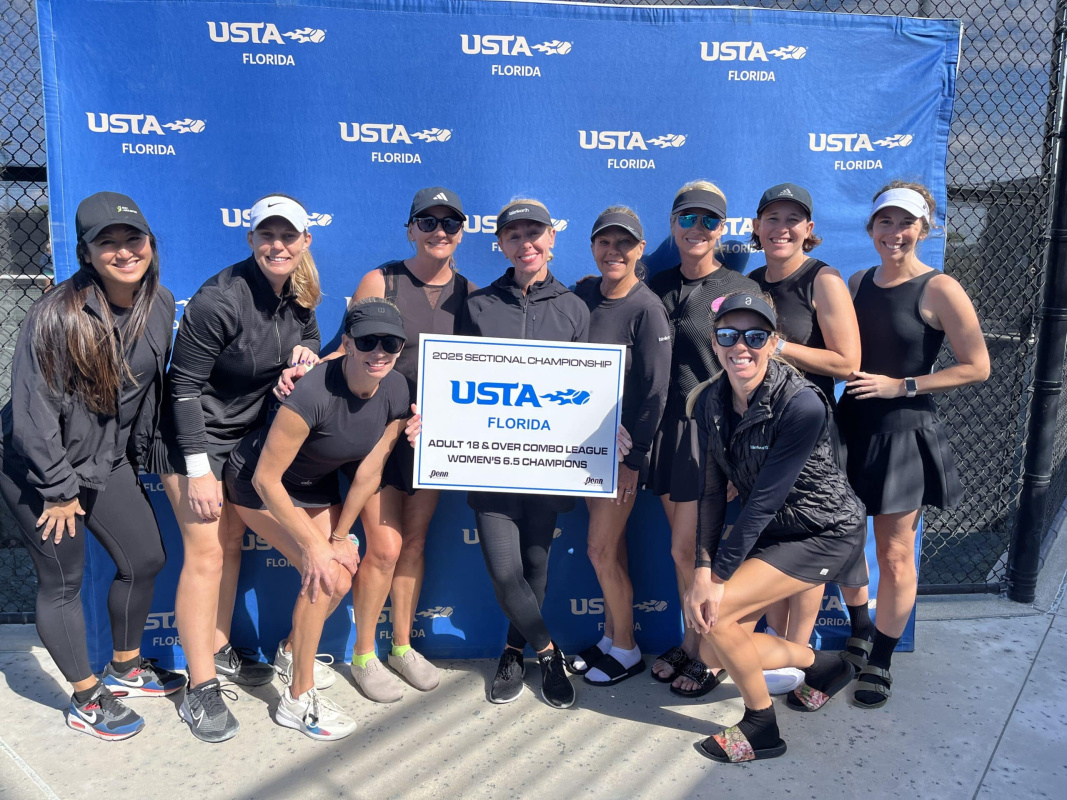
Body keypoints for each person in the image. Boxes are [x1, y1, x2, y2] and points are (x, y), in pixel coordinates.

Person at [0, 192, 184, 739]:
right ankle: (85, 698)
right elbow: (33, 415)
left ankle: (125, 670)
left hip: (102, 457)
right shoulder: (56, 315)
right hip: (37, 468)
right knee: (63, 580)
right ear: (86, 253)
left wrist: (146, 453)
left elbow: (146, 392)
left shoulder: (160, 302)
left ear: (150, 243)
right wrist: (58, 490)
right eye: (108, 242)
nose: (124, 251)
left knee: (145, 558)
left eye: (133, 238)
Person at [149, 194, 322, 742]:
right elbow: (182, 388)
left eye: (288, 236)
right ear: (250, 240)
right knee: (204, 554)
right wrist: (198, 470)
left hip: (243, 438)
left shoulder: (298, 293)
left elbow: (310, 337)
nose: (278, 245)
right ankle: (200, 687)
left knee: (229, 543)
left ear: (305, 241)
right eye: (267, 235)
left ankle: (219, 647)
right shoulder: (218, 300)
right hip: (190, 441)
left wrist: (305, 356)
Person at [685, 291, 865, 763]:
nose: (740, 346)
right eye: (729, 335)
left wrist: (717, 579)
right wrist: (703, 570)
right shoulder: (710, 402)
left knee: (716, 616)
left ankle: (761, 726)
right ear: (715, 342)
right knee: (712, 649)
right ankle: (822, 666)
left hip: (824, 531)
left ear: (772, 341)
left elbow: (764, 501)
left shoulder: (801, 403)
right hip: (777, 530)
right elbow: (711, 493)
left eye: (755, 336)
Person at [225, 299, 410, 740]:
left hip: (314, 487)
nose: (379, 351)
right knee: (323, 575)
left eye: (390, 343)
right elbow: (266, 479)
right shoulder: (313, 392)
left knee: (340, 574)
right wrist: (314, 547)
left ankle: (291, 652)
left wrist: (341, 536)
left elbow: (370, 471)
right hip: (258, 485)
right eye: (367, 341)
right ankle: (297, 699)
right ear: (347, 342)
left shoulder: (397, 389)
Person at [839, 182, 989, 708]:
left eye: (906, 223)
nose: (894, 232)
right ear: (871, 227)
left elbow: (977, 366)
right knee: (842, 544)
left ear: (923, 229)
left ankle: (880, 658)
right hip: (848, 429)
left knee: (895, 554)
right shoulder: (856, 282)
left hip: (903, 433)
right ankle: (860, 628)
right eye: (885, 221)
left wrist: (899, 386)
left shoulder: (940, 287)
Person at [339, 187, 472, 702]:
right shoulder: (382, 280)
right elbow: (347, 349)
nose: (440, 231)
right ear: (411, 229)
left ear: (462, 231)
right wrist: (306, 365)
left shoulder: (471, 293)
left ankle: (401, 646)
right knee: (384, 547)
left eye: (450, 222)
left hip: (432, 440)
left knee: (413, 543)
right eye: (428, 222)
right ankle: (363, 655)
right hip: (377, 433)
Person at [457, 198, 589, 708]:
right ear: (501, 244)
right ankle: (549, 653)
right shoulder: (479, 305)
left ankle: (513, 651)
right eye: (514, 235)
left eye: (535, 233)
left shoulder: (575, 308)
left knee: (536, 565)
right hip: (489, 463)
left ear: (552, 238)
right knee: (504, 571)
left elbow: (588, 389)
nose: (525, 243)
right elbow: (457, 381)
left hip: (549, 466)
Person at [746, 183, 871, 692]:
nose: (781, 228)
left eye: (792, 219)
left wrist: (778, 346)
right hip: (760, 434)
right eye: (772, 218)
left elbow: (847, 362)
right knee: (773, 542)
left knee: (806, 546)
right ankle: (780, 652)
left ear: (809, 229)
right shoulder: (751, 282)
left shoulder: (824, 279)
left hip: (812, 436)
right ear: (757, 227)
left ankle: (799, 658)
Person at [646, 181, 759, 697]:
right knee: (682, 554)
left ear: (722, 228)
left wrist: (733, 450)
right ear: (673, 224)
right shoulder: (656, 283)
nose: (698, 228)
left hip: (713, 434)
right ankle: (693, 642)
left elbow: (751, 370)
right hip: (667, 433)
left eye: (710, 220)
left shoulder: (738, 288)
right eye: (688, 218)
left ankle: (709, 657)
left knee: (697, 553)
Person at [569, 207, 671, 686]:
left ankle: (627, 649)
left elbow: (656, 392)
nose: (614, 251)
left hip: (621, 457)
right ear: (593, 246)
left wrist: (634, 460)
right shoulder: (584, 294)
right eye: (605, 242)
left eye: (624, 243)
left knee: (599, 550)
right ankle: (612, 637)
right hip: (584, 450)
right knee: (612, 549)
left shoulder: (647, 308)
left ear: (640, 249)